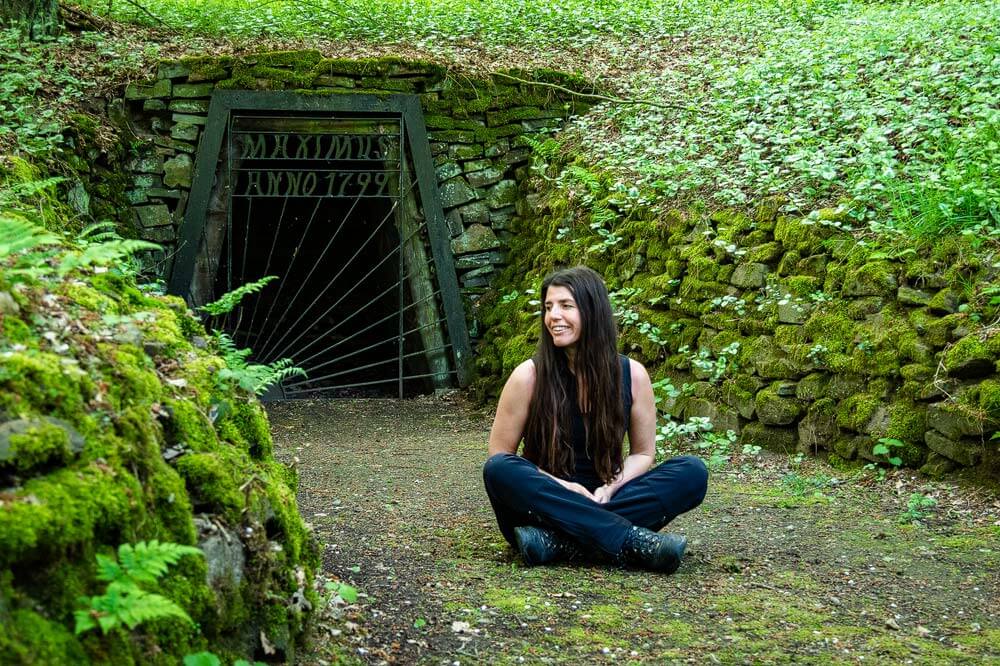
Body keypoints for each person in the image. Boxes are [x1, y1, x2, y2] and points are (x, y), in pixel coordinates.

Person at [483, 266, 708, 572]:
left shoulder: (633, 375)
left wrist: (614, 485)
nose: (553, 316)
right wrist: (563, 486)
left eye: (566, 306)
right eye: (548, 307)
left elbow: (643, 453)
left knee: (692, 472)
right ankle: (628, 539)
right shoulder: (529, 376)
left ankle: (560, 543)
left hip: (606, 497)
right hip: (543, 503)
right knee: (498, 470)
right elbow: (501, 455)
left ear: (592, 311)